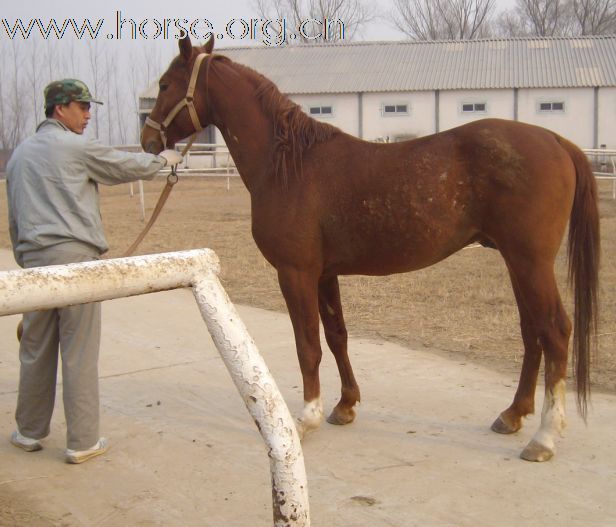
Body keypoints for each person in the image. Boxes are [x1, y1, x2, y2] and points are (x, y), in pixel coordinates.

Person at [5, 78, 182, 464]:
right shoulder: (74, 145)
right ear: (60, 108)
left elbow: (15, 221)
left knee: (35, 350)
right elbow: (121, 165)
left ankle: (29, 432)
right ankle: (82, 440)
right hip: (75, 263)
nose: (87, 114)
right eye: (82, 106)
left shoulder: (18, 155)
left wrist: (27, 262)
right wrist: (161, 162)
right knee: (79, 351)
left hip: (33, 265)